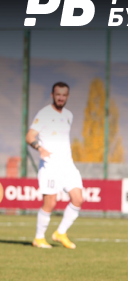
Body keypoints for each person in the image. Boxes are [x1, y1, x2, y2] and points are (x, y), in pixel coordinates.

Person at [26, 82, 82, 249]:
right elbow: (29, 136)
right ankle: (39, 238)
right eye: (58, 94)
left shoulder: (69, 115)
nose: (61, 98)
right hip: (50, 166)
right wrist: (40, 148)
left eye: (64, 95)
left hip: (68, 165)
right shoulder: (44, 114)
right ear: (52, 95)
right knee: (50, 203)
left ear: (67, 96)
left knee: (78, 199)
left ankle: (60, 233)